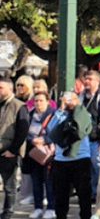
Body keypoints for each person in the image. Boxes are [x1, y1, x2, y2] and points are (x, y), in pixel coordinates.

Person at [48, 91, 93, 219]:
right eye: (66, 99)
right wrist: (61, 109)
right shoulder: (59, 115)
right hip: (61, 159)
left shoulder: (84, 114)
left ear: (77, 100)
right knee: (61, 194)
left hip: (80, 158)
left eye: (72, 99)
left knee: (84, 193)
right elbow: (51, 129)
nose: (69, 102)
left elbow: (80, 130)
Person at [0, 78, 29, 219]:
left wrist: (12, 150)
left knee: (9, 186)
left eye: (1, 88)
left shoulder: (19, 106)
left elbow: (22, 131)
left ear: (10, 89)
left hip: (8, 152)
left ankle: (8, 212)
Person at [25, 91, 54, 219]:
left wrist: (45, 140)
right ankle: (37, 207)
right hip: (33, 151)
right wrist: (31, 140)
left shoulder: (53, 114)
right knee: (36, 181)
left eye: (41, 100)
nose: (38, 103)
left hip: (48, 152)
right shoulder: (30, 115)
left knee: (49, 181)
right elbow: (24, 130)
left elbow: (57, 132)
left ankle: (51, 208)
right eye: (36, 101)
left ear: (47, 102)